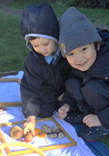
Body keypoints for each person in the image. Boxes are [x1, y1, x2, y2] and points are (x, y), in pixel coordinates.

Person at [55, 7, 109, 140]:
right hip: (92, 97)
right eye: (71, 54)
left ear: (96, 45)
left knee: (92, 88)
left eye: (84, 49)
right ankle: (83, 113)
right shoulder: (77, 64)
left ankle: (104, 125)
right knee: (72, 83)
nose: (79, 58)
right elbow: (73, 89)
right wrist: (67, 104)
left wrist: (101, 119)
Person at [19, 3, 69, 138]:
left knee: (72, 109)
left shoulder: (68, 53)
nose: (42, 49)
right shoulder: (33, 61)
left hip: (69, 89)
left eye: (46, 44)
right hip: (49, 89)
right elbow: (30, 87)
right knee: (43, 112)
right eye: (36, 46)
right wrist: (30, 116)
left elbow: (76, 75)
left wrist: (67, 93)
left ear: (55, 37)